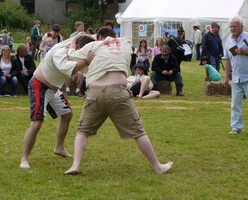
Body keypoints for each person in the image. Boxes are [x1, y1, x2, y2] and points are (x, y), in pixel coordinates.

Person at [64, 27, 173, 175]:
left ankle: (75, 165)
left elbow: (71, 56)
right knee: (138, 132)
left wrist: (76, 39)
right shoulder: (126, 44)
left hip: (95, 93)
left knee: (82, 131)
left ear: (99, 36)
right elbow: (113, 40)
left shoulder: (93, 46)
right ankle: (157, 167)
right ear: (115, 35)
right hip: (118, 92)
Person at [19, 36, 94, 169]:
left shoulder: (73, 44)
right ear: (78, 47)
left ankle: (59, 148)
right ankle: (24, 158)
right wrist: (87, 61)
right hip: (39, 85)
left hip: (54, 89)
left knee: (67, 115)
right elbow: (68, 69)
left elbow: (79, 36)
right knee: (36, 123)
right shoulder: (60, 52)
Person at [224, 15, 248, 136]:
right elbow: (228, 60)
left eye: (235, 26)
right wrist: (226, 77)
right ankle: (236, 127)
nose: (232, 28)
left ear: (241, 26)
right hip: (236, 77)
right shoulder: (229, 41)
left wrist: (245, 52)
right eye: (231, 26)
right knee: (235, 104)